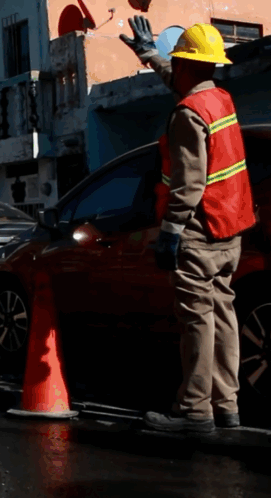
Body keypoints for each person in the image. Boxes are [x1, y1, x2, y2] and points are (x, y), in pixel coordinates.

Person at [121, 17, 256, 433]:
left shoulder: (186, 115)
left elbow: (188, 182)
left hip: (198, 231)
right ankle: (226, 405)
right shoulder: (220, 100)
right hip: (230, 230)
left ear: (183, 65)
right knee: (222, 315)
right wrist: (151, 55)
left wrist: (171, 231)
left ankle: (196, 411)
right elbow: (184, 82)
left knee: (197, 321)